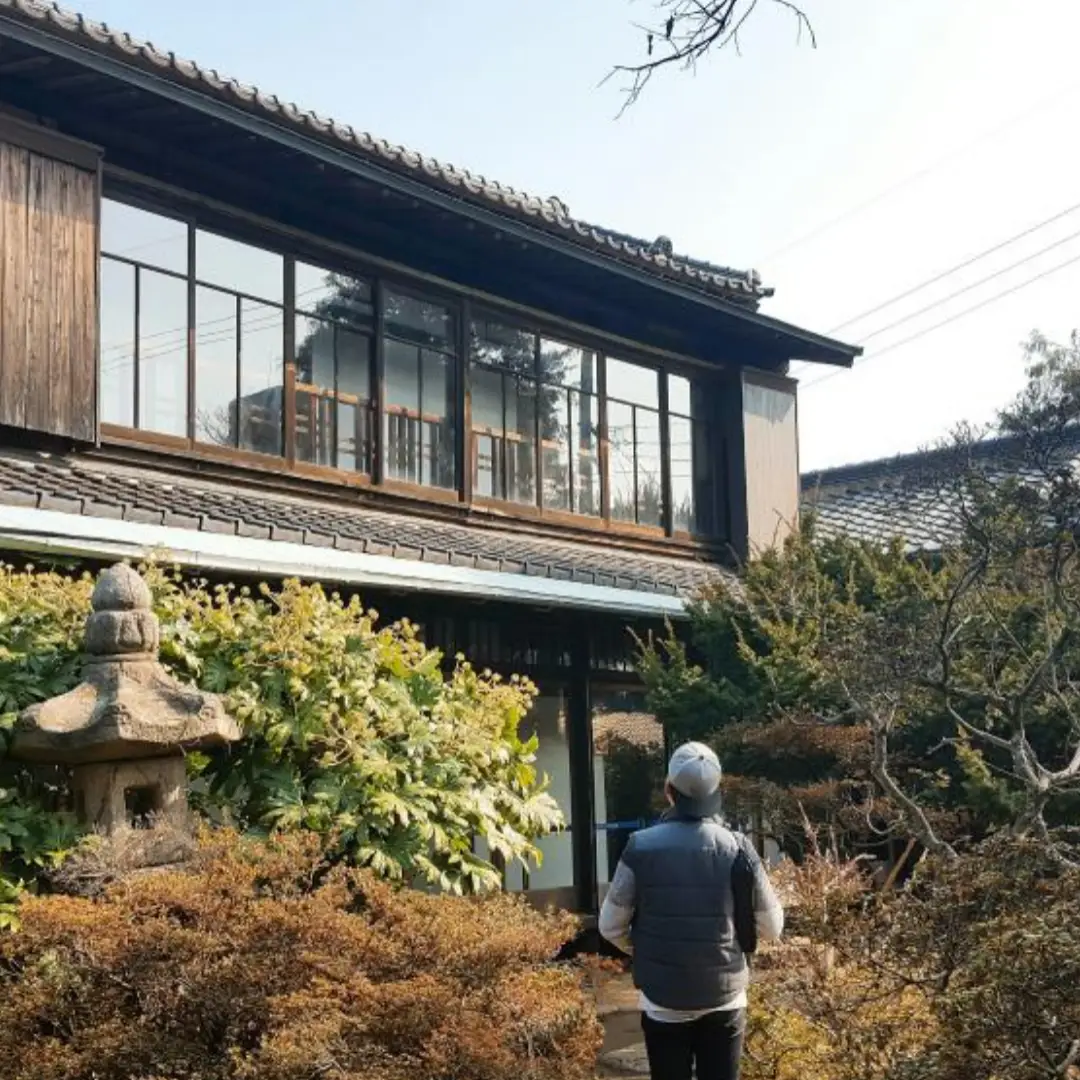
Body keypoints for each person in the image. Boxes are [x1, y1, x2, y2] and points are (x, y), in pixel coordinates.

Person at [598, 741, 784, 1080]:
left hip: (663, 1000)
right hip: (725, 997)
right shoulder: (739, 847)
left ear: (668, 790)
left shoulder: (640, 847)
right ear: (716, 790)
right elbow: (772, 927)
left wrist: (645, 949)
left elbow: (610, 926)